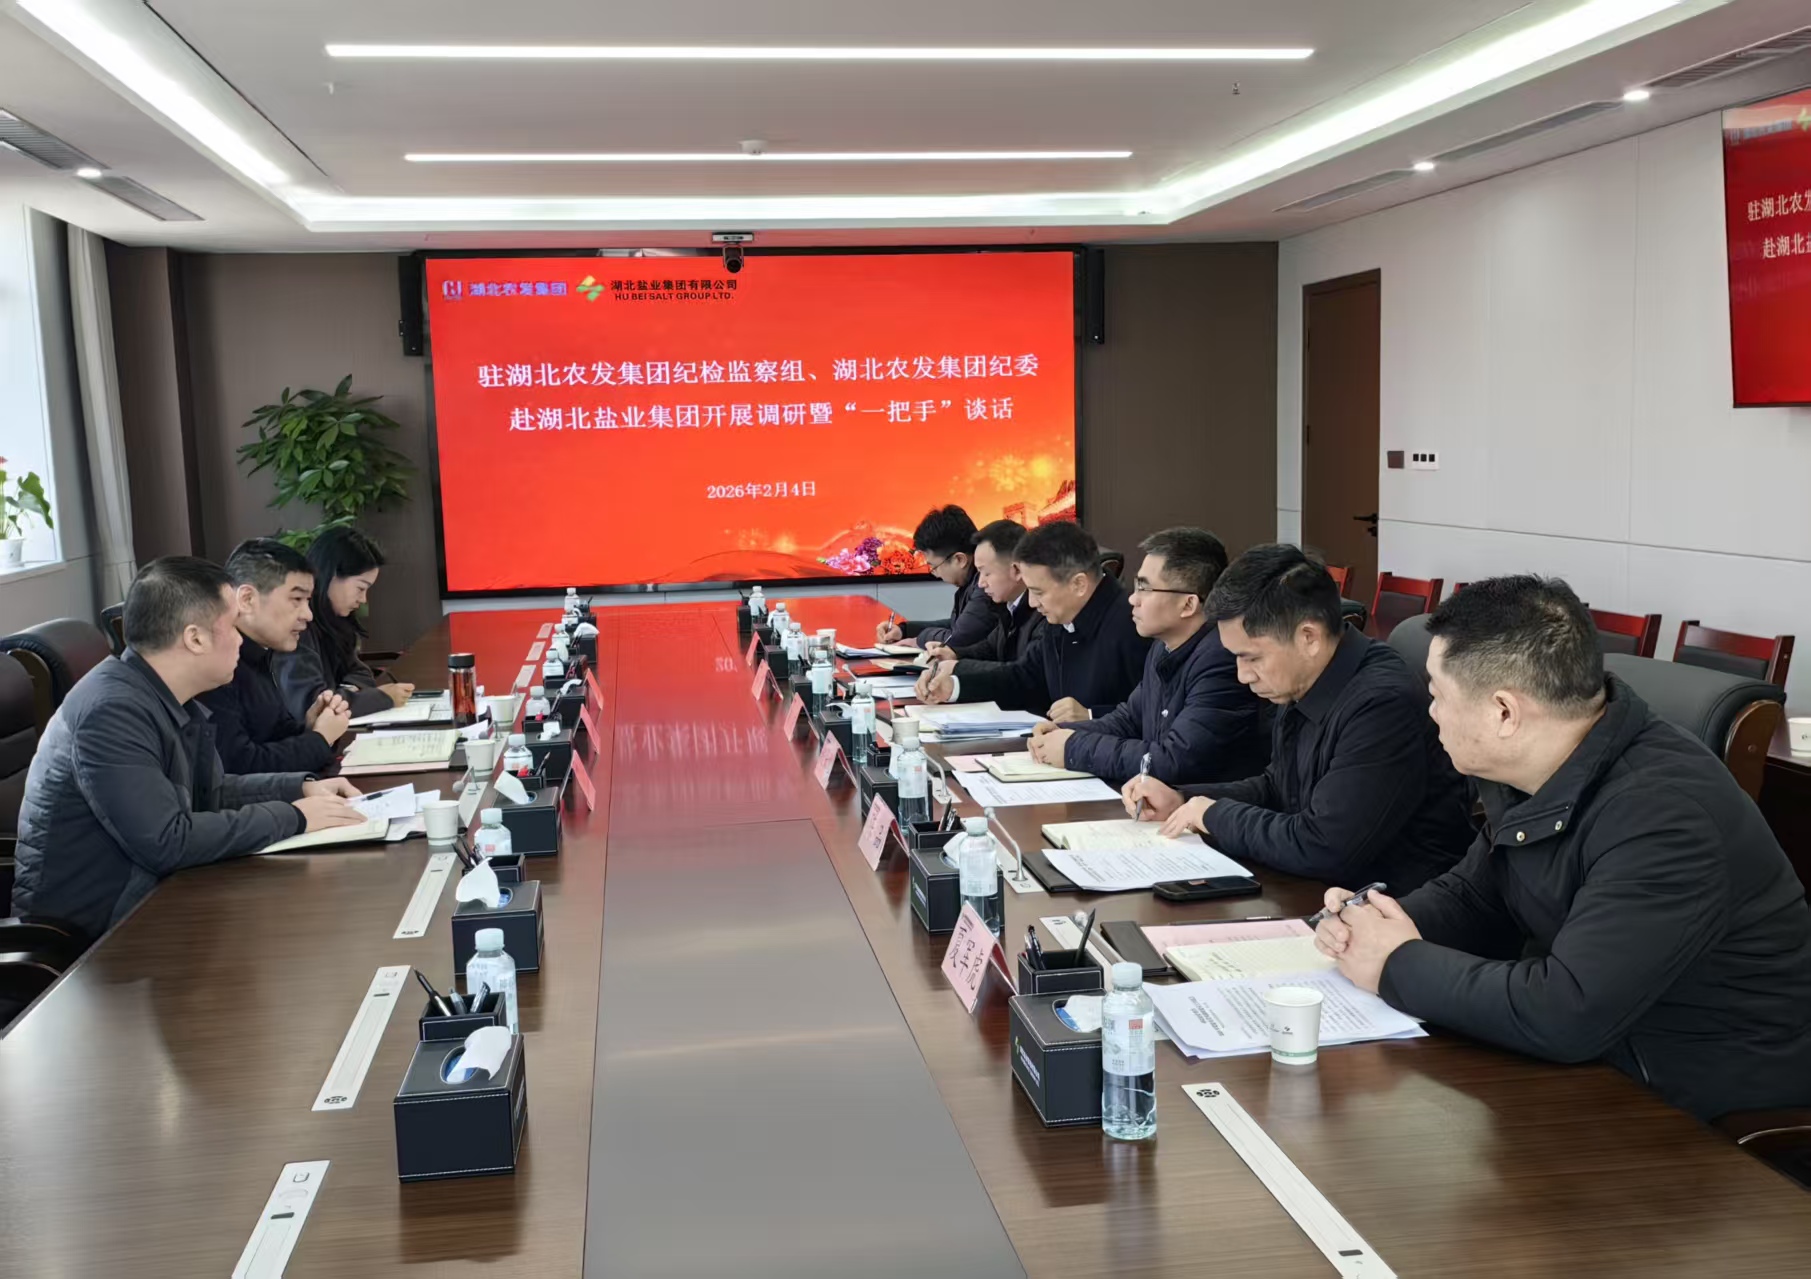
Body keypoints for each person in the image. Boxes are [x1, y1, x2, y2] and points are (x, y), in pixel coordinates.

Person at [1313, 576, 1811, 1121]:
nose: (1429, 711)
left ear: (1504, 713)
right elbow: (1475, 898)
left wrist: (1395, 963)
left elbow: (1566, 1013)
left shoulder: (1664, 818)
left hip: (1691, 1094)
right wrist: (1374, 924)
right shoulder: (1539, 767)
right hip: (1600, 1056)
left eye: (1438, 694)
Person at [11, 556, 366, 942]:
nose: (241, 639)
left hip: (154, 900)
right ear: (195, 638)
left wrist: (300, 788)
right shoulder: (111, 710)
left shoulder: (164, 693)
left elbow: (209, 791)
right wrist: (294, 817)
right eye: (233, 625)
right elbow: (167, 840)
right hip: (95, 938)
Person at [1123, 544, 1471, 893]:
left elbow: (1325, 846)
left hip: (1391, 904)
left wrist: (1213, 815)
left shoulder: (1381, 704)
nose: (1243, 675)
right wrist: (1184, 800)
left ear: (1308, 637)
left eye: (1252, 658)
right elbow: (1279, 787)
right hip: (1319, 890)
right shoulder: (1302, 678)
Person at [1027, 527, 1268, 787]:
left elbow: (1174, 761)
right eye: (1136, 586)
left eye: (1145, 588)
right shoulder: (1163, 646)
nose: (1133, 598)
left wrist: (1074, 748)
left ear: (1188, 604)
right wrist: (1064, 732)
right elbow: (1130, 719)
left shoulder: (1220, 660)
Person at [918, 521, 1149, 718]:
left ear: (1078, 584)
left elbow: (1153, 715)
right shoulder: (1061, 617)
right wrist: (953, 687)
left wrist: (1091, 715)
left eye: (1038, 592)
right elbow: (1026, 677)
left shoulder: (1134, 626)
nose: (1032, 603)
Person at [200, 538, 352, 774]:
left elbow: (271, 736)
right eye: (296, 599)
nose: (308, 615)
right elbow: (239, 768)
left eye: (307, 601)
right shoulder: (214, 664)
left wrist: (309, 728)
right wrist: (319, 739)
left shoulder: (259, 654)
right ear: (247, 599)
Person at [277, 525, 415, 722]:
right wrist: (382, 698)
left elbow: (361, 672)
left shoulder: (336, 622)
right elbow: (315, 706)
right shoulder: (298, 628)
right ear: (331, 575)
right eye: (360, 588)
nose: (363, 599)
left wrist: (345, 692)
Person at [873, 505, 995, 650]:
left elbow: (958, 638)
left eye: (934, 566)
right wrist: (904, 630)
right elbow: (957, 624)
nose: (934, 573)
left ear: (959, 560)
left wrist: (919, 640)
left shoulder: (986, 586)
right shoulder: (968, 582)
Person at [923, 519, 1039, 665]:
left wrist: (957, 668)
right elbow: (989, 648)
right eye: (979, 573)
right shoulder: (1010, 607)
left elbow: (1020, 672)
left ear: (1016, 570)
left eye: (987, 573)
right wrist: (953, 654)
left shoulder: (1043, 614)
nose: (981, 583)